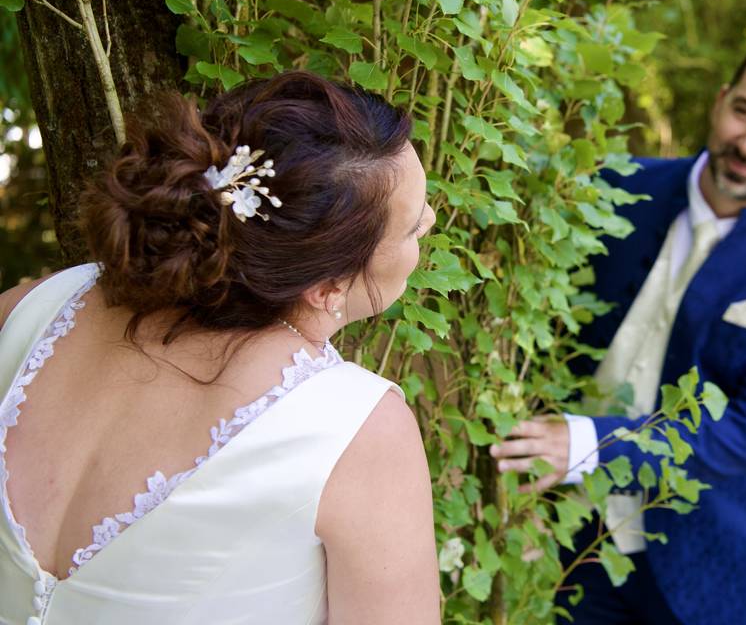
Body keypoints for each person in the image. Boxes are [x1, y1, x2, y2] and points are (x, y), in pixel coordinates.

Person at [0, 72, 439, 624]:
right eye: (414, 228)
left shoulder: (29, 311)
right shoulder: (357, 433)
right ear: (327, 286)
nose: (431, 220)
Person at [490, 31, 746, 624]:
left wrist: (592, 446)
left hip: (702, 569)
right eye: (744, 111)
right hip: (562, 545)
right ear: (721, 101)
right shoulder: (610, 190)